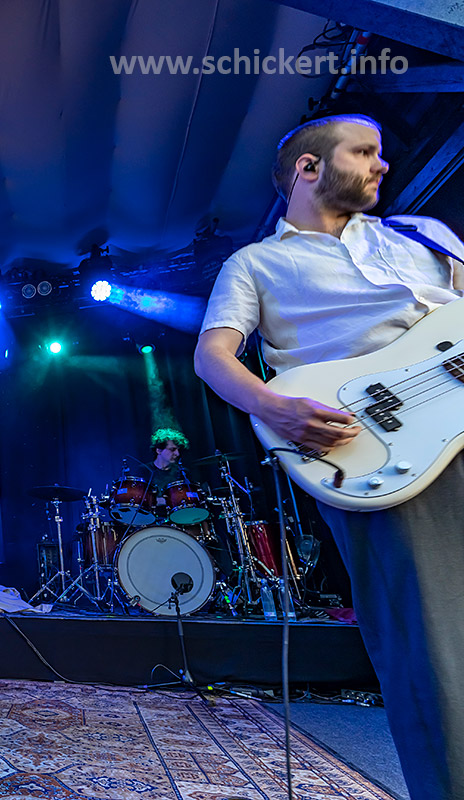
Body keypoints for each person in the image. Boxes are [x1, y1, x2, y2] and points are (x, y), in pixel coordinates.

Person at [194, 113, 464, 800]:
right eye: (364, 151)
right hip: (379, 448)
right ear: (309, 168)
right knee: (432, 645)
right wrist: (272, 406)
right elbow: (213, 355)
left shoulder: (424, 236)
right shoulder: (254, 263)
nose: (382, 164)